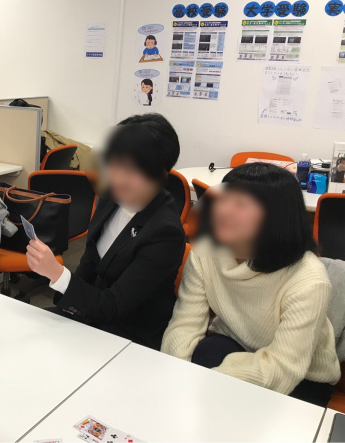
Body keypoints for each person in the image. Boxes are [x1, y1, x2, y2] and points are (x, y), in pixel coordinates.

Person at [162, 163, 340, 407]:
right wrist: (176, 376)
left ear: (275, 218)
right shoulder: (205, 252)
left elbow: (283, 367)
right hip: (238, 344)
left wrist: (209, 385)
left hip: (302, 372)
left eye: (241, 204)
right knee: (204, 353)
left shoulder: (308, 279)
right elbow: (184, 325)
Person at [26, 114, 185, 349]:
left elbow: (114, 307)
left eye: (131, 169)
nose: (117, 177)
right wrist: (67, 303)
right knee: (27, 334)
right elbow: (90, 261)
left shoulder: (165, 232)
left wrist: (58, 275)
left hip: (129, 335)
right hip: (92, 314)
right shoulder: (111, 198)